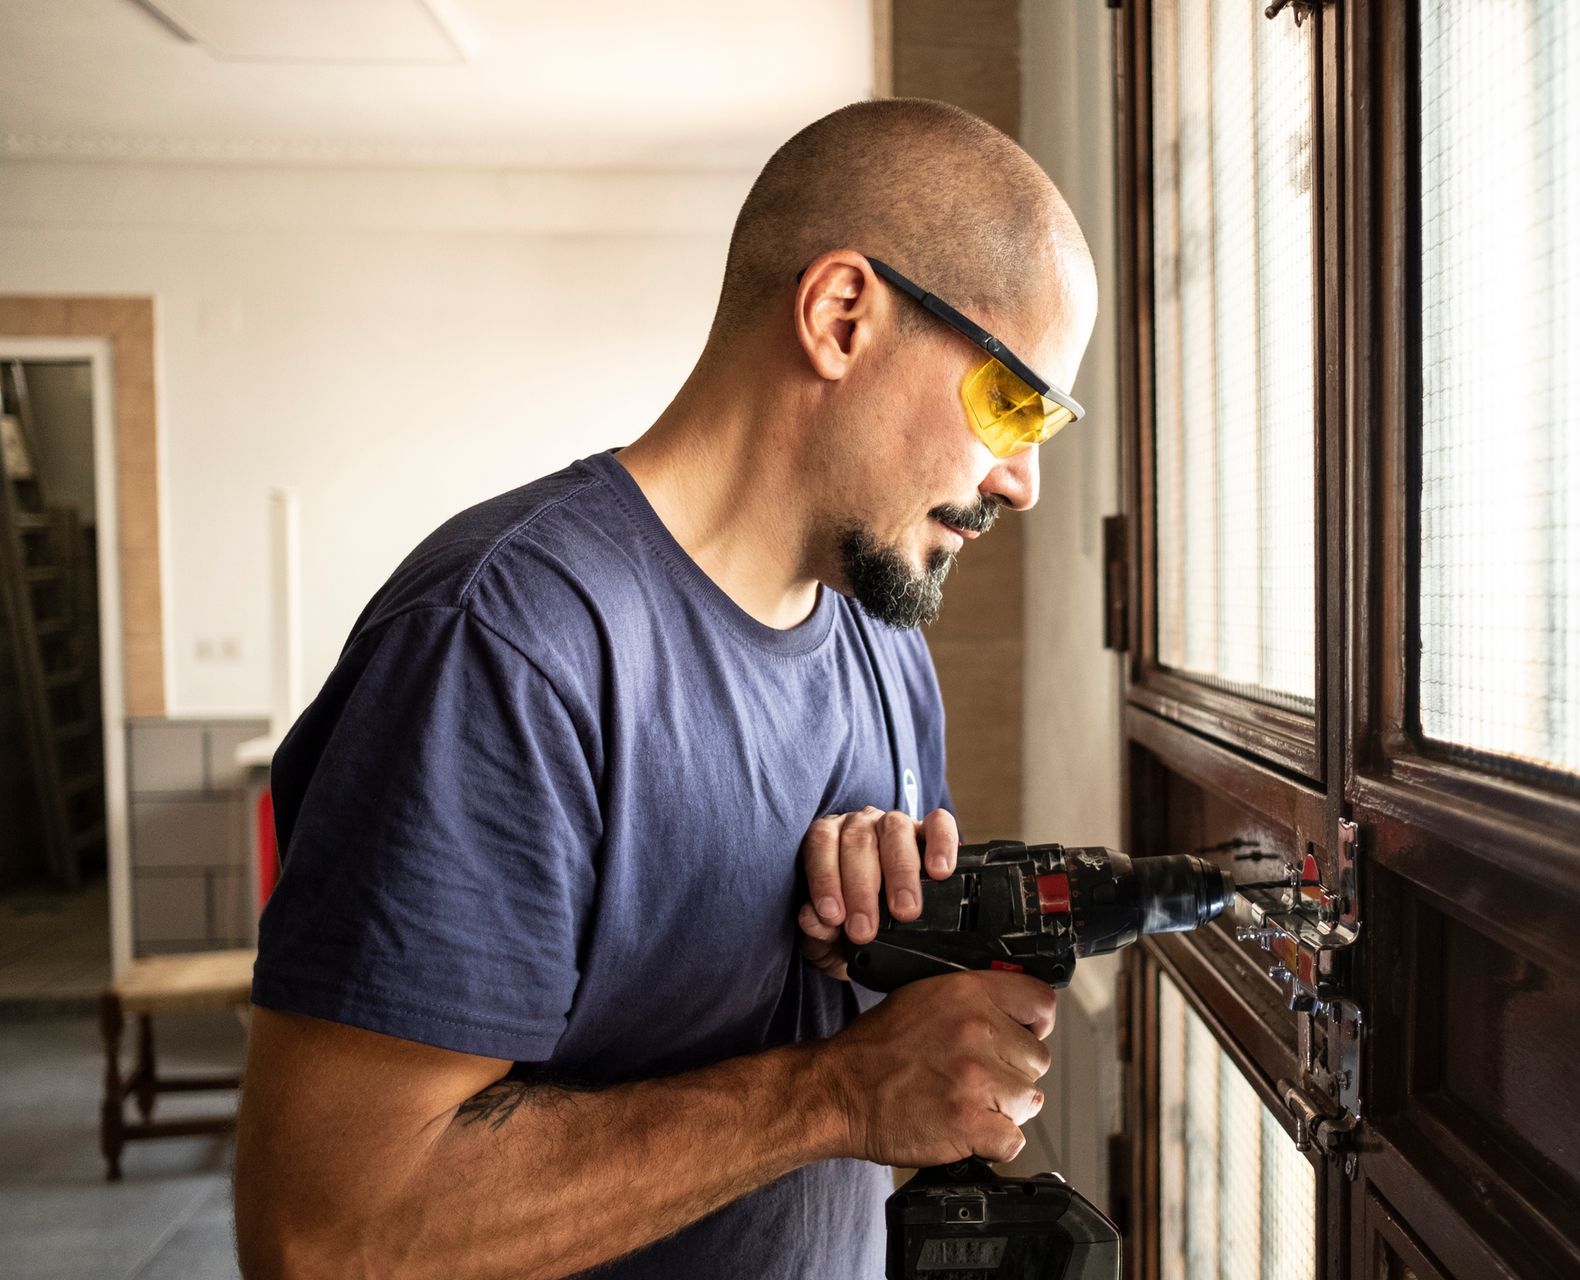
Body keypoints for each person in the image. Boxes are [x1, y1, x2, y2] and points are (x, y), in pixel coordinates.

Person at [232, 96, 1099, 1280]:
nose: (1024, 482)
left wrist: (884, 951)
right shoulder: (508, 646)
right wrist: (836, 1090)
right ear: (842, 315)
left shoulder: (881, 641)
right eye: (1015, 402)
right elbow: (327, 1233)